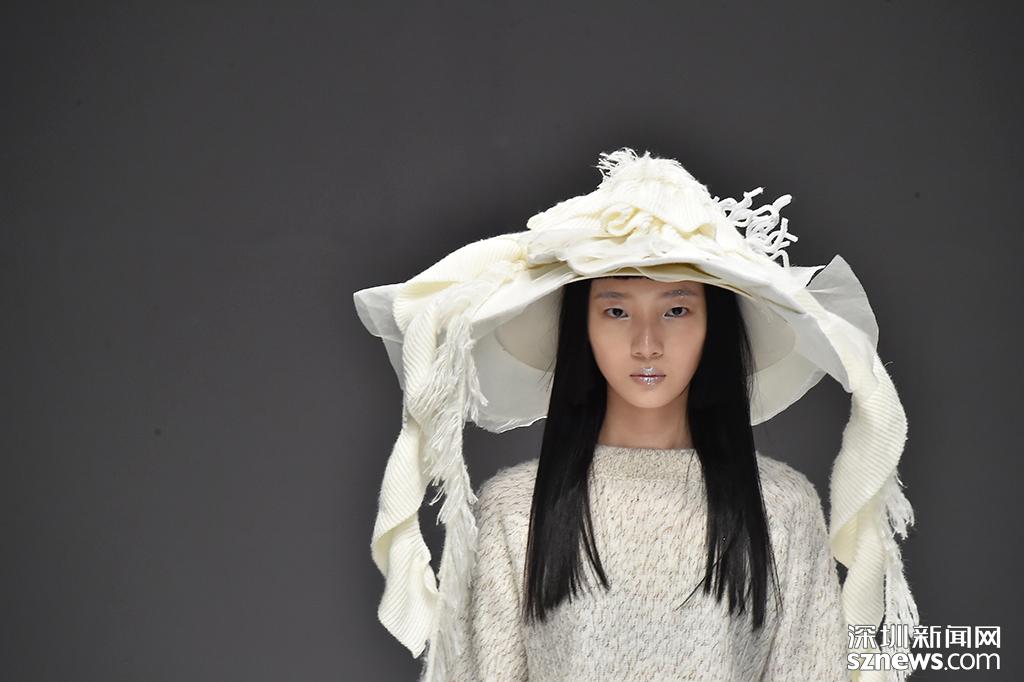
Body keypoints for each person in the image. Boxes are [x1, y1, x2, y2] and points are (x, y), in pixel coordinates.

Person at [353, 148, 919, 682]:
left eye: (677, 309)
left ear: (713, 326)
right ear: (583, 327)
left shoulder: (783, 507)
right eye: (617, 311)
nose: (647, 344)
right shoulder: (515, 509)